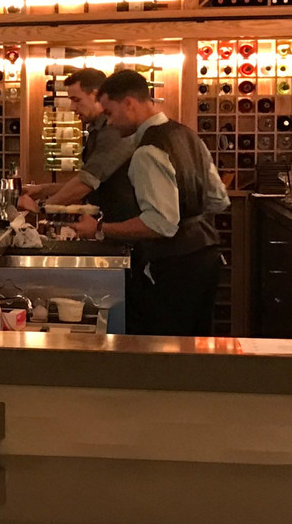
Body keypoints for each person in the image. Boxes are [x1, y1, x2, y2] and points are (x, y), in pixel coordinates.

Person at [73, 70, 230, 337]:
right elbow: (217, 199)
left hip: (173, 264)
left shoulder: (147, 151)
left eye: (109, 112)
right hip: (206, 254)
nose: (109, 122)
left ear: (129, 104)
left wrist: (99, 228)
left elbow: (160, 225)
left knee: (162, 346)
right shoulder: (187, 135)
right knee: (195, 344)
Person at [19, 69, 135, 216]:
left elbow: (86, 183)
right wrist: (42, 190)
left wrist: (42, 207)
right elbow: (93, 184)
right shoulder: (97, 130)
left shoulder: (112, 131)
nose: (72, 108)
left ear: (96, 95)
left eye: (76, 100)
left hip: (123, 223)